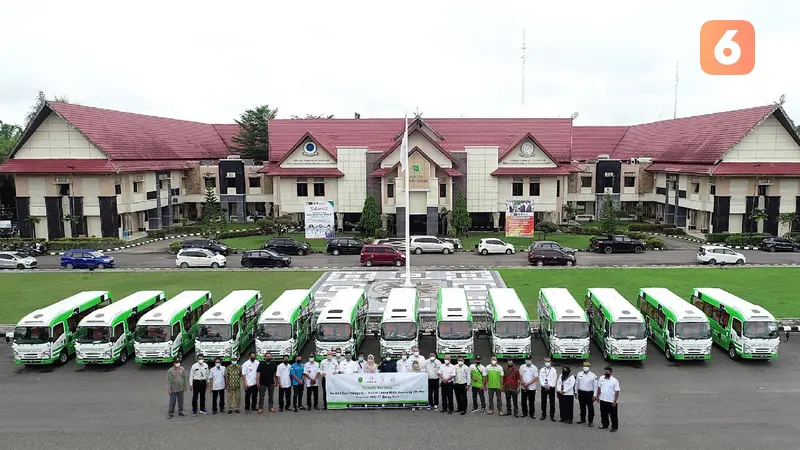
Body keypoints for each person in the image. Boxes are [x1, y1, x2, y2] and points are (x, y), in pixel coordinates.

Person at [597, 366, 620, 432]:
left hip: (611, 401)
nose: (606, 373)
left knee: (613, 415)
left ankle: (614, 427)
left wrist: (614, 401)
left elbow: (617, 391)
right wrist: (598, 396)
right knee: (603, 414)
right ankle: (605, 424)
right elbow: (599, 388)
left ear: (611, 372)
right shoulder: (601, 378)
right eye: (605, 372)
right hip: (603, 399)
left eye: (607, 372)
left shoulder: (614, 381)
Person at [576, 361, 598, 426]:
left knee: (590, 408)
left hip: (589, 393)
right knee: (582, 407)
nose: (585, 367)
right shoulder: (579, 374)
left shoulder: (593, 376)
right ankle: (582, 419)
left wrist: (594, 395)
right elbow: (577, 383)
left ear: (589, 367)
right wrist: (575, 392)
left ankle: (590, 421)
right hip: (581, 392)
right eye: (584, 366)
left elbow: (595, 386)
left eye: (587, 366)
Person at [539, 357, 557, 421]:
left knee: (552, 402)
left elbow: (554, 379)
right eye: (546, 362)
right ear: (544, 362)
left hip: (551, 387)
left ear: (550, 362)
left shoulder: (554, 370)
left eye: (548, 361)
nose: (547, 363)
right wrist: (544, 385)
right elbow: (540, 378)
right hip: (544, 387)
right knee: (543, 401)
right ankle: (543, 414)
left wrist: (550, 386)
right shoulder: (542, 370)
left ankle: (552, 415)